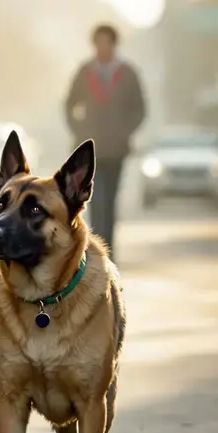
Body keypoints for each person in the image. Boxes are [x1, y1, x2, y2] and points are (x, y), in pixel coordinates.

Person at [63, 23, 146, 260]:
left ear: (114, 44)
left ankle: (108, 250)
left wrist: (125, 130)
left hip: (116, 149)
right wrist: (78, 130)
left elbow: (139, 108)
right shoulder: (85, 72)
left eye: (106, 42)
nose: (103, 46)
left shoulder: (127, 73)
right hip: (90, 150)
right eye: (99, 42)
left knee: (109, 200)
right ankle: (95, 249)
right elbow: (70, 104)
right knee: (94, 199)